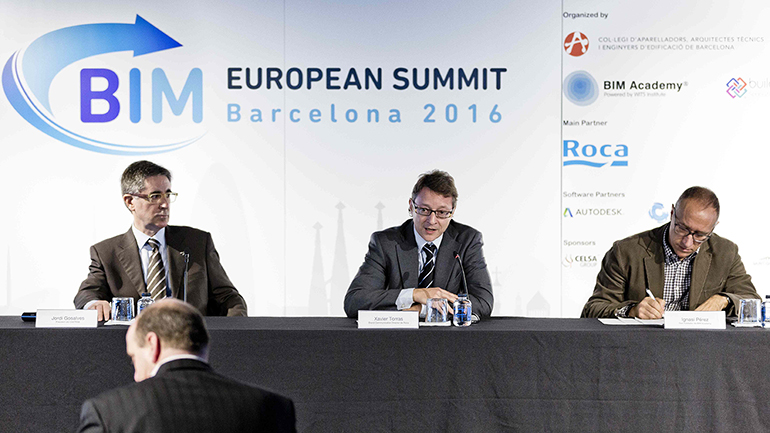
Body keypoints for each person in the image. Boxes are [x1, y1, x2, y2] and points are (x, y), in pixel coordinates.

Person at [77, 299, 296, 433]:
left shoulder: (108, 412)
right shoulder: (272, 408)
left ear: (153, 344)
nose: (135, 375)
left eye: (133, 358)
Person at [74, 161, 247, 320]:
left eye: (168, 195)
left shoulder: (197, 243)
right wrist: (94, 304)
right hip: (135, 340)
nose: (165, 204)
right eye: (155, 196)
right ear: (130, 201)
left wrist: (232, 333)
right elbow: (87, 294)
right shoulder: (106, 252)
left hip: (189, 339)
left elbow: (228, 298)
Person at [581, 186, 760, 319]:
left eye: (700, 235)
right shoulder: (626, 251)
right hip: (641, 347)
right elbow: (593, 309)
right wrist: (632, 310)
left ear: (713, 228)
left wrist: (724, 299)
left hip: (700, 349)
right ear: (672, 213)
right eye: (682, 228)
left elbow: (753, 301)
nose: (687, 242)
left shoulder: (726, 252)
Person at [344, 170, 493, 318]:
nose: (432, 221)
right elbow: (354, 301)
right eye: (424, 210)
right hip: (397, 333)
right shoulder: (385, 243)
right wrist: (414, 294)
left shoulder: (467, 241)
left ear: (452, 211)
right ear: (411, 206)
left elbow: (483, 302)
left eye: (442, 212)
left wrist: (421, 309)